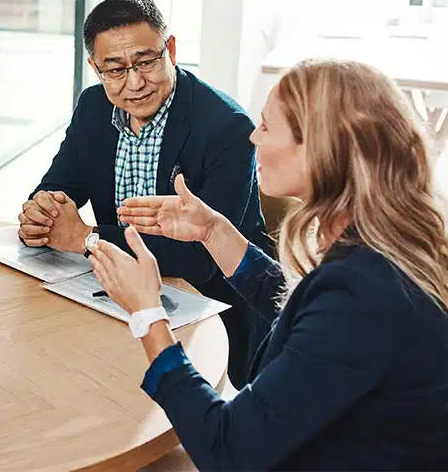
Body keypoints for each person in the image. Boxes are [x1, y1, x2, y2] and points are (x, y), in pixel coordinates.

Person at [89, 59, 448, 469]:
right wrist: (214, 233)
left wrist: (147, 315)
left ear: (319, 146)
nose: (253, 136)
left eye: (266, 126)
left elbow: (228, 452)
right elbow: (309, 316)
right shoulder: (382, 246)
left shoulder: (364, 294)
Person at [19, 0, 271, 386]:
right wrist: (42, 213)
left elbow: (202, 258)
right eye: (115, 69)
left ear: (170, 49)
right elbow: (59, 186)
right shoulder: (93, 107)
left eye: (146, 62)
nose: (134, 83)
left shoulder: (228, 127)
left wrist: (87, 238)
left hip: (209, 310)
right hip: (116, 300)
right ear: (95, 67)